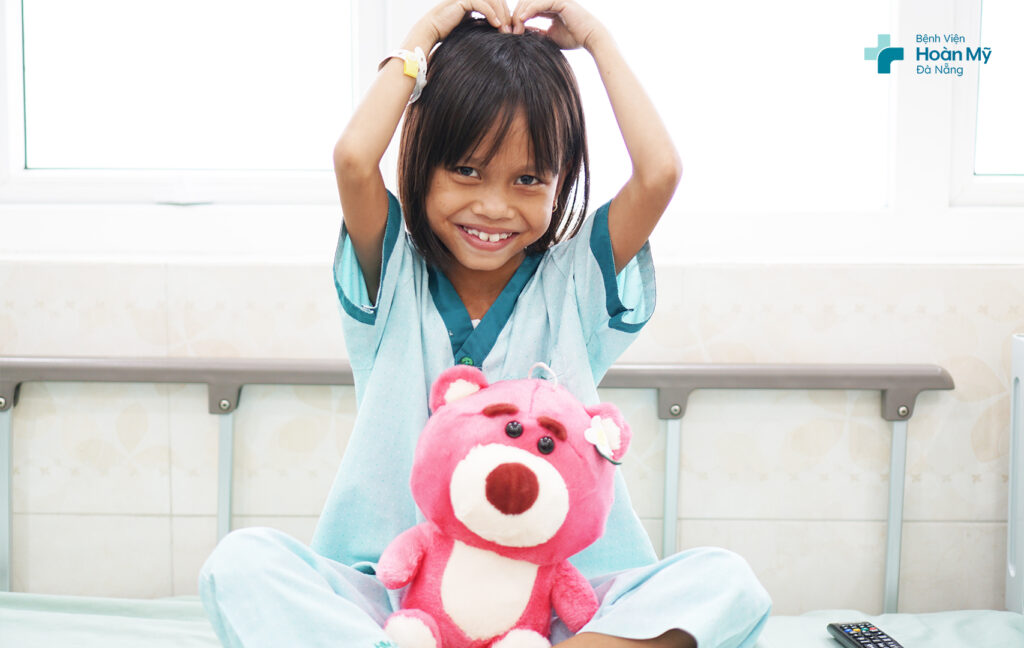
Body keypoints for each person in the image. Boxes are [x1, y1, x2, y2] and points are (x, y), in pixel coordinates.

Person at [199, 2, 771, 647]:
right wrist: (423, 37)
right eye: (466, 171)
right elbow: (354, 159)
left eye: (528, 179)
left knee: (726, 582)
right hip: (397, 604)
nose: (494, 206)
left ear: (559, 182)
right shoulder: (393, 280)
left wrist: (597, 40)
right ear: (422, 160)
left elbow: (660, 172)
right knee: (241, 563)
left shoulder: (575, 285)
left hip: (557, 608)